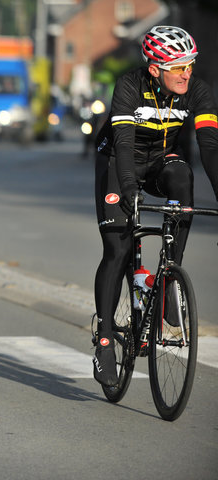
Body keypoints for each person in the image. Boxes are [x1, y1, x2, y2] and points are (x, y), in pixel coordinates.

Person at [92, 25, 218, 387]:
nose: (186, 73)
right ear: (155, 69)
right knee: (117, 249)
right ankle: (103, 341)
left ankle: (168, 282)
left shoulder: (197, 91)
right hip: (119, 162)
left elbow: (209, 147)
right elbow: (124, 142)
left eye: (190, 65)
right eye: (178, 67)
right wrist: (130, 191)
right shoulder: (129, 87)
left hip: (163, 160)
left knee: (184, 179)